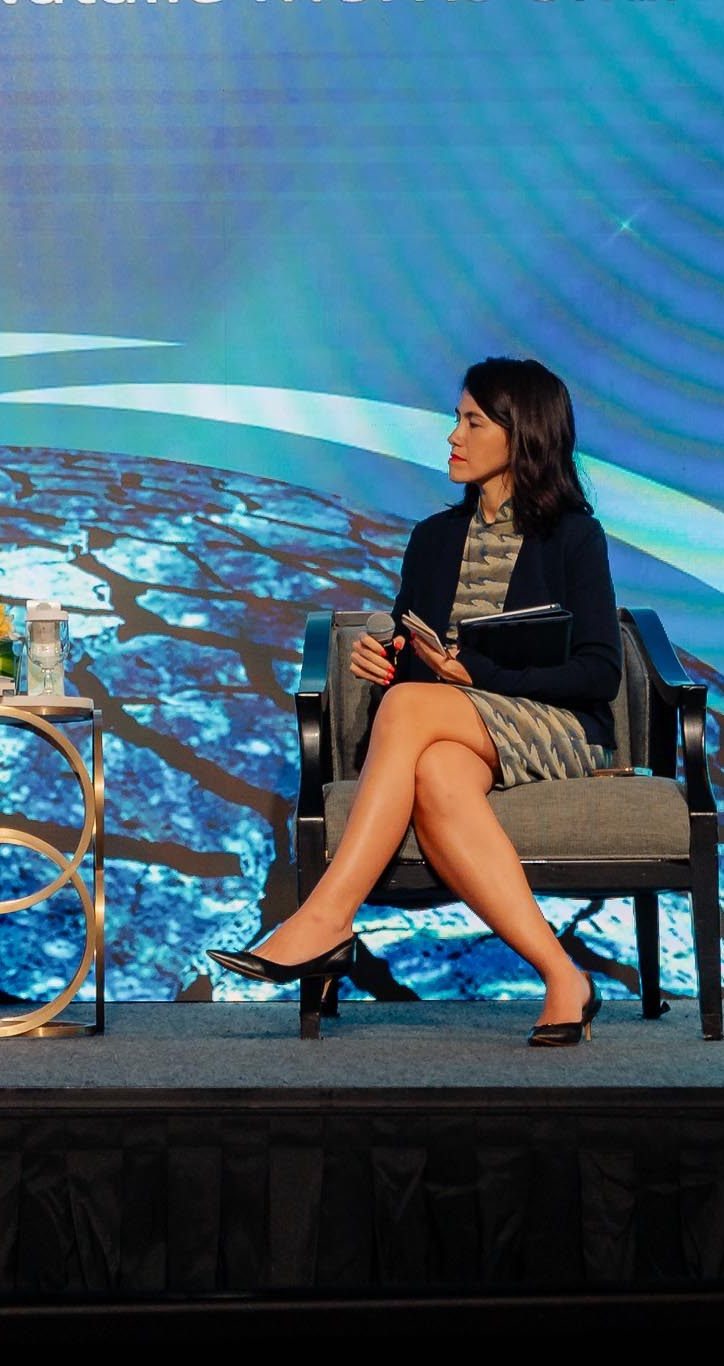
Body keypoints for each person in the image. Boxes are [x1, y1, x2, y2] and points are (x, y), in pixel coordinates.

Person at [211, 357, 624, 1045]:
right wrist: (384, 661)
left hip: (556, 724)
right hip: (455, 725)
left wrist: (474, 673)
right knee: (433, 769)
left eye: (473, 422)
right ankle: (565, 978)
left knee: (408, 708)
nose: (453, 436)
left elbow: (600, 672)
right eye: (456, 419)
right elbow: (414, 651)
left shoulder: (575, 536)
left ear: (522, 432)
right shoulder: (433, 538)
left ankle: (327, 918)